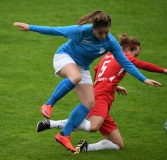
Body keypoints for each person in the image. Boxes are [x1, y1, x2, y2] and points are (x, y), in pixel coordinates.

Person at [13, 10, 161, 152]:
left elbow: (125, 62)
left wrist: (143, 79)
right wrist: (30, 27)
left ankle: (63, 135)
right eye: (100, 33)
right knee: (75, 77)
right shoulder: (82, 31)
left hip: (82, 67)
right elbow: (56, 30)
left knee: (89, 103)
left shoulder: (111, 42)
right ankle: (49, 104)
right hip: (65, 57)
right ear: (93, 28)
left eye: (106, 32)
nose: (103, 36)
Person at [36, 32, 167, 153]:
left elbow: (98, 72)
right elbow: (142, 65)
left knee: (117, 143)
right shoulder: (124, 56)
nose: (135, 57)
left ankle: (86, 148)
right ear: (127, 49)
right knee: (93, 126)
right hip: (102, 96)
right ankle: (52, 124)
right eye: (135, 54)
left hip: (101, 93)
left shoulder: (107, 56)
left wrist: (114, 86)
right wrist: (163, 71)